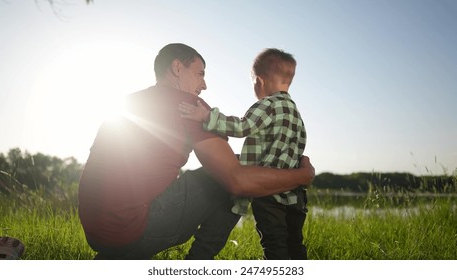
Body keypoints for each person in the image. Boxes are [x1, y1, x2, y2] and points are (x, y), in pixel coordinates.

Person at [78, 43, 315, 260]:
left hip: (99, 235)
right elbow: (238, 181)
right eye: (200, 74)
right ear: (177, 68)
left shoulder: (127, 103)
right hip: (137, 228)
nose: (204, 85)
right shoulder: (188, 106)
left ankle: (117, 259)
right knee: (233, 167)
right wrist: (302, 176)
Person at [179, 48, 309, 259]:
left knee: (275, 245)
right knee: (295, 243)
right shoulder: (295, 114)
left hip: (269, 194)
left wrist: (207, 117)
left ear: (259, 81)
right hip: (295, 196)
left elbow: (242, 127)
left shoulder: (267, 105)